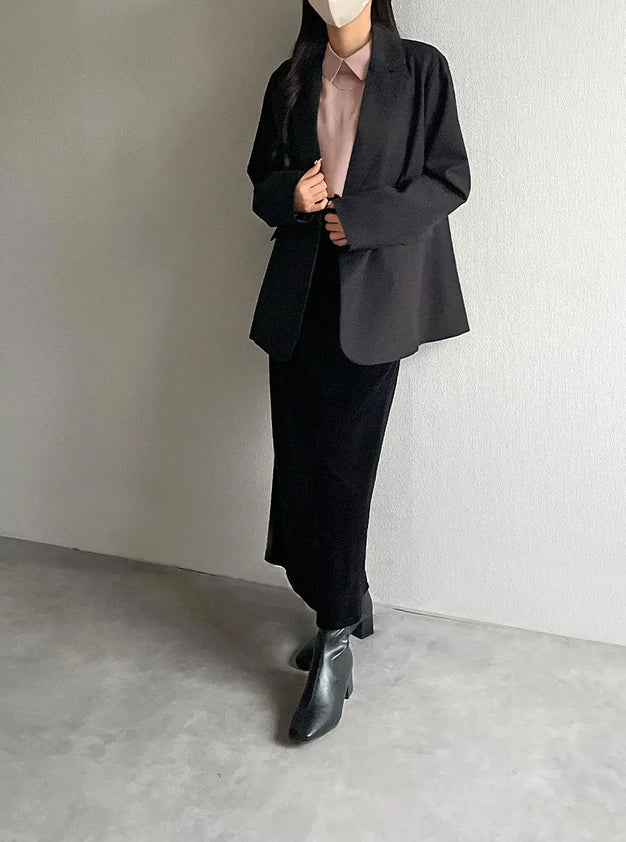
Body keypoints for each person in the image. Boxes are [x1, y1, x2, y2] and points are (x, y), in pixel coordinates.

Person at [246, 0, 471, 743]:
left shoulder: (421, 70)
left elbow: (449, 178)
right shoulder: (290, 76)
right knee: (301, 461)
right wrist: (291, 195)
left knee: (343, 470)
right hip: (299, 295)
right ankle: (348, 599)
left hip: (374, 301)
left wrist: (363, 219)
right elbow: (260, 178)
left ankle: (335, 636)